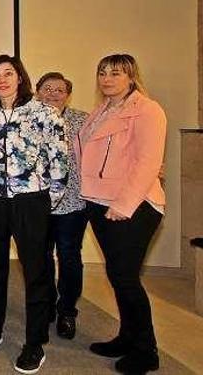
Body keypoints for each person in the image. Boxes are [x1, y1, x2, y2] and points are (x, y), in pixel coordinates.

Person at [0, 55, 68, 375]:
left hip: (31, 201)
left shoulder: (45, 113)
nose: (2, 79)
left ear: (20, 77)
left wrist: (45, 201)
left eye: (8, 73)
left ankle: (35, 342)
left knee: (36, 271)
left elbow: (58, 161)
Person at [79, 54, 166, 374]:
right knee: (117, 275)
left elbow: (148, 163)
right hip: (99, 202)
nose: (107, 78)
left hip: (133, 206)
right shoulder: (101, 110)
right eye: (102, 72)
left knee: (126, 278)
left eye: (115, 73)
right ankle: (127, 337)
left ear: (131, 77)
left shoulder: (147, 110)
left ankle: (147, 350)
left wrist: (124, 205)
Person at [35, 72, 89, 340]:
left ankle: (67, 310)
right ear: (37, 92)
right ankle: (45, 305)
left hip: (73, 203)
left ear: (68, 94)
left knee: (69, 257)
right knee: (40, 257)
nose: (53, 94)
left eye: (59, 90)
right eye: (47, 89)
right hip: (38, 203)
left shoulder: (82, 120)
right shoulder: (29, 119)